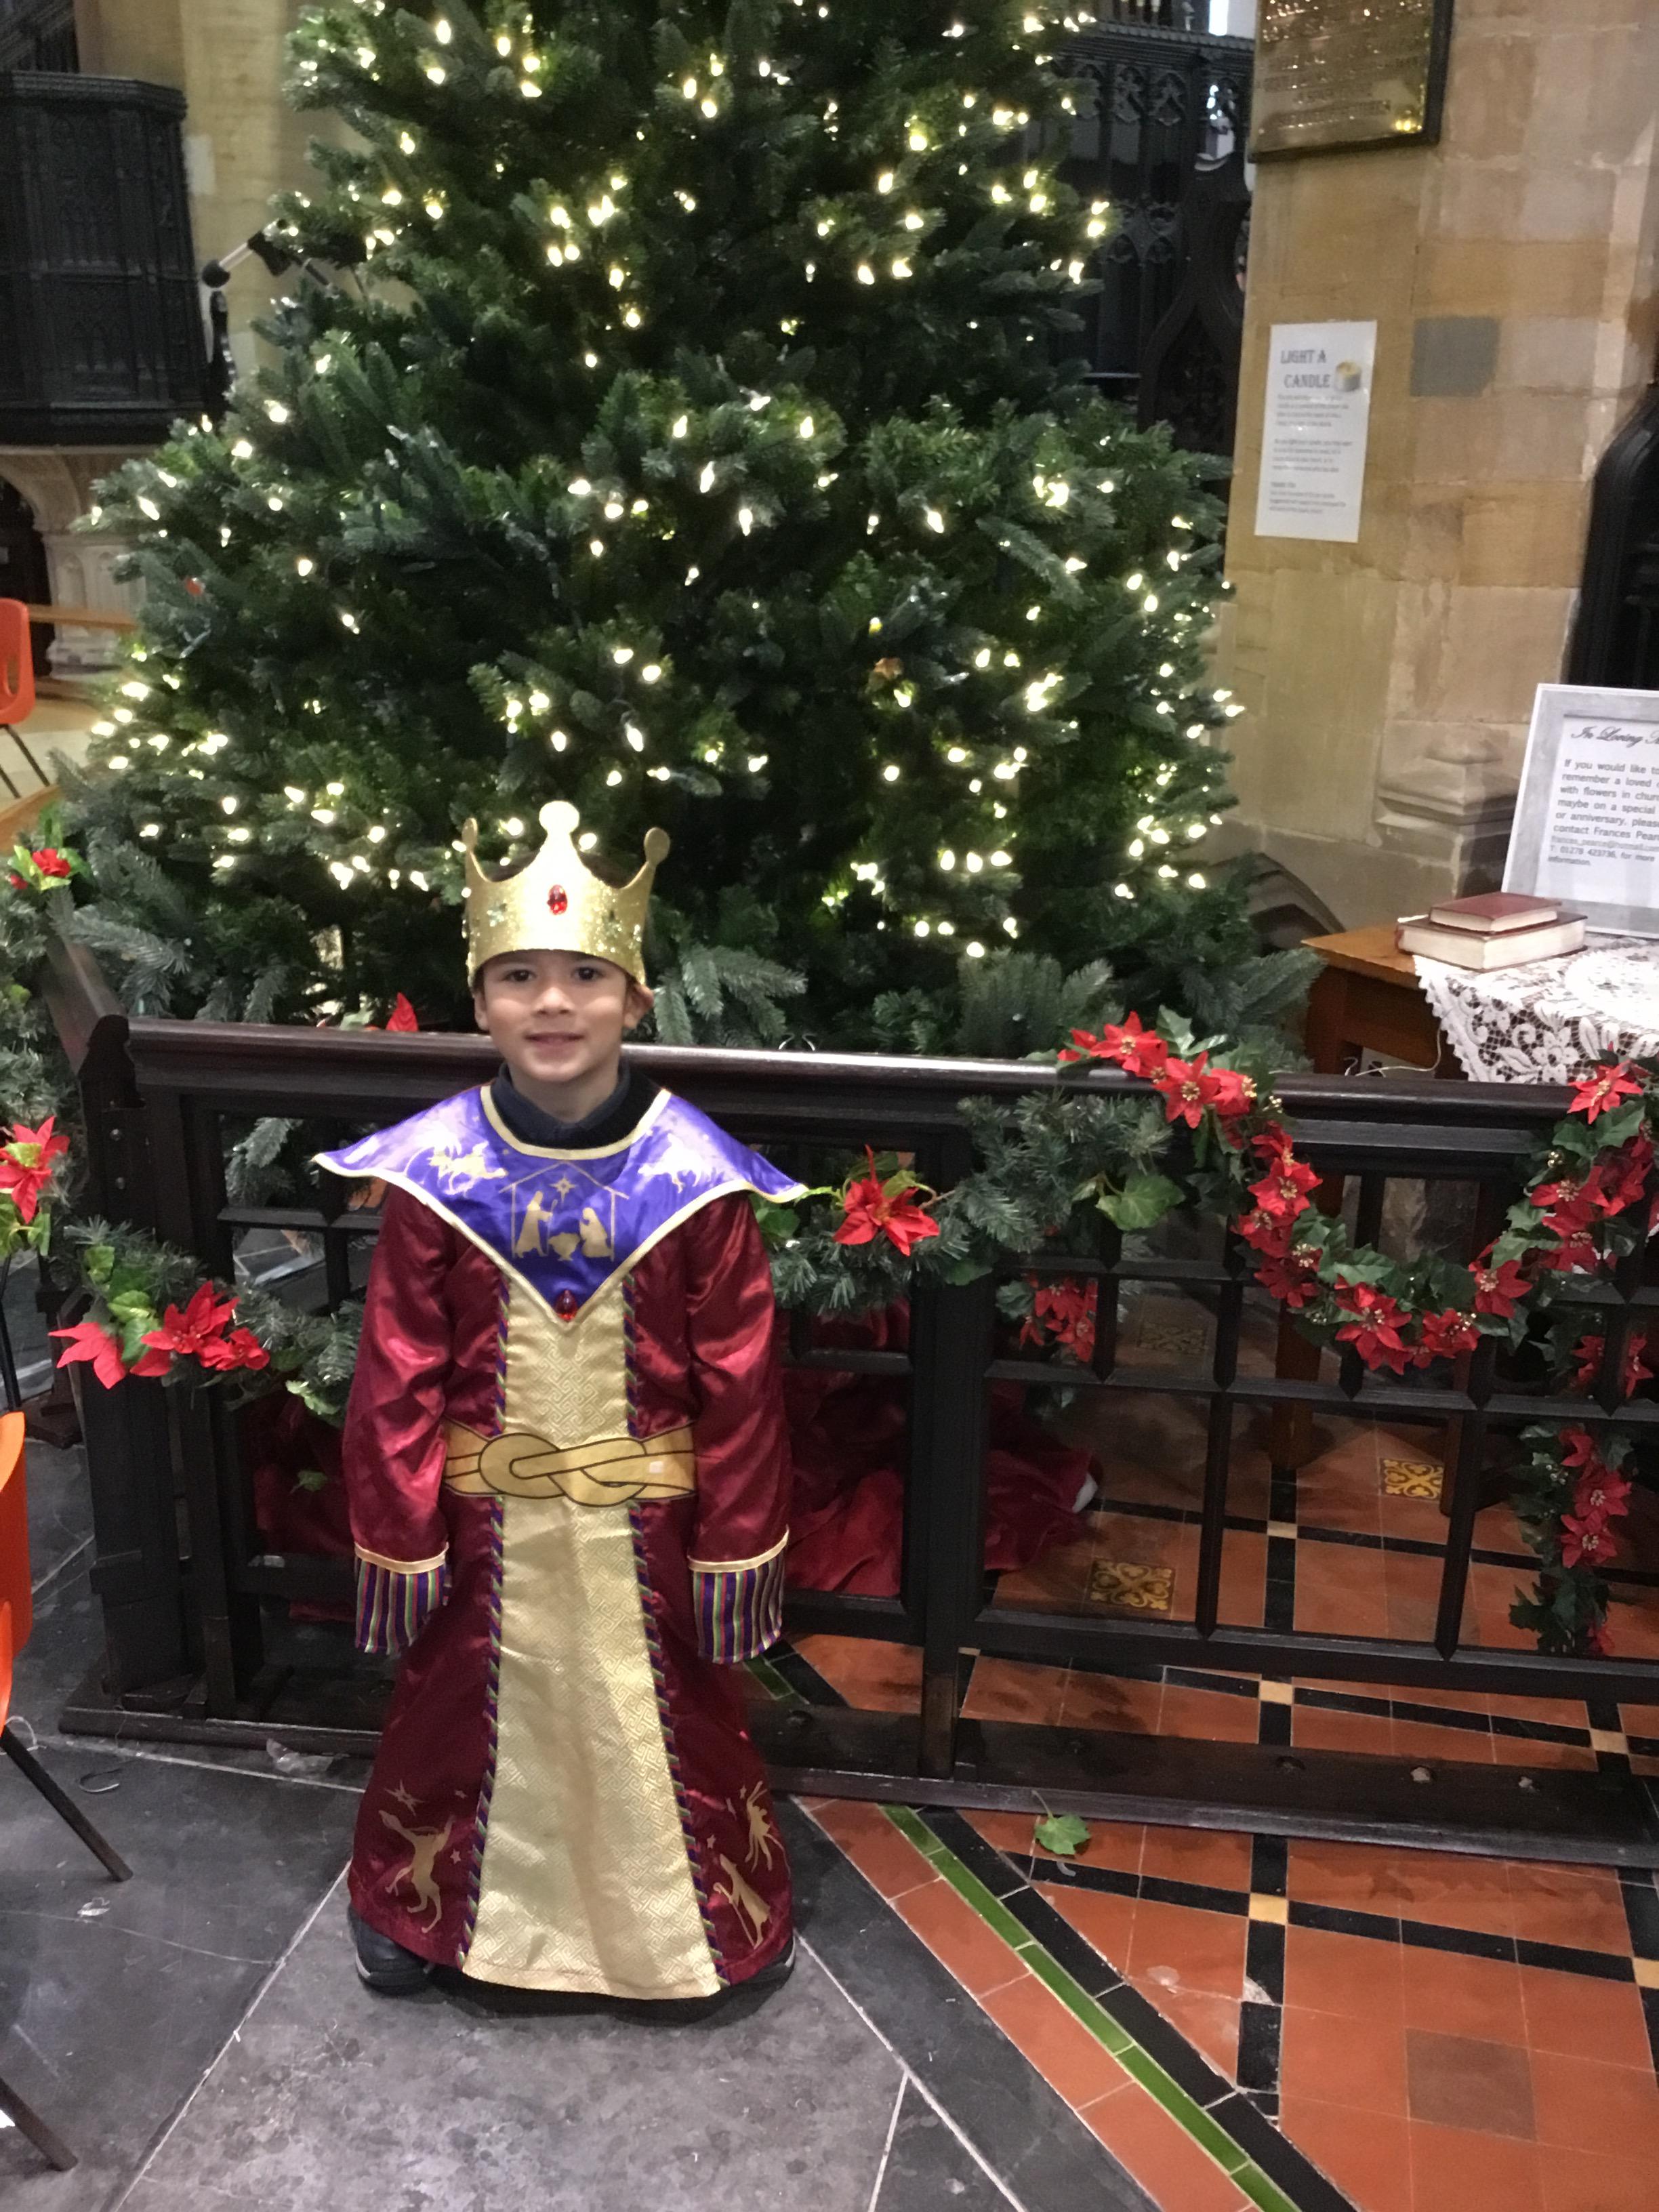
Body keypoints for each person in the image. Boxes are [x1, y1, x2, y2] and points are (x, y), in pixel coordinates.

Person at [316, 800, 802, 2009]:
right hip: (487, 1524)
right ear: (481, 1002)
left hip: (654, 1527)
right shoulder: (436, 1170)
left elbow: (742, 1384)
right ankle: (419, 1909)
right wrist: (403, 1532)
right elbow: (398, 1366)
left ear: (635, 1001)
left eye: (585, 976)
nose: (552, 1004)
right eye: (519, 977)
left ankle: (697, 1923)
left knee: (670, 1717)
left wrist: (736, 1547)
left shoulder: (698, 1179)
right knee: (453, 1713)